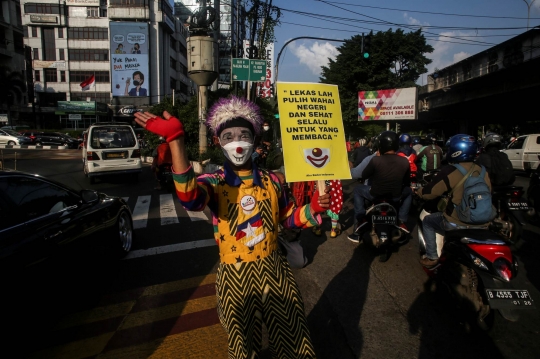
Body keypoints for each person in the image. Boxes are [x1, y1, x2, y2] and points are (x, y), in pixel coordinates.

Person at [134, 95, 331, 358]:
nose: (237, 143)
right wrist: (176, 142)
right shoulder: (213, 181)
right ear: (217, 142)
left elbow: (287, 219)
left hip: (276, 270)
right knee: (242, 347)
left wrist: (314, 208)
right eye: (228, 136)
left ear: (256, 140)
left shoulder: (272, 181)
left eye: (243, 135)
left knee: (293, 341)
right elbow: (191, 199)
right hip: (235, 275)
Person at [415, 134, 494, 267]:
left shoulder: (450, 171)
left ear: (455, 150)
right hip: (484, 220)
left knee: (428, 221)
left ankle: (432, 256)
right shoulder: (482, 171)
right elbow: (489, 192)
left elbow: (429, 194)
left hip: (457, 221)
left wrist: (419, 191)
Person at [351, 131, 412, 238]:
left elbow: (364, 175)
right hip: (395, 197)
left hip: (375, 195)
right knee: (409, 192)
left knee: (357, 190)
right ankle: (402, 220)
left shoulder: (375, 160)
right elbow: (406, 182)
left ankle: (361, 219)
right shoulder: (404, 161)